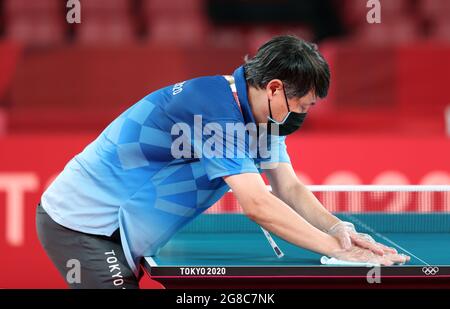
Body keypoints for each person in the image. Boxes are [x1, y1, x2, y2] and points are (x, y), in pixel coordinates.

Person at [36, 35, 409, 289]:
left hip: (118, 228)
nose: (302, 115)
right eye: (302, 105)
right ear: (275, 88)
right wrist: (338, 252)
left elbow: (287, 186)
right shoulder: (214, 109)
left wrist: (337, 230)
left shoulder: (259, 114)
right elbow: (258, 204)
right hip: (81, 226)